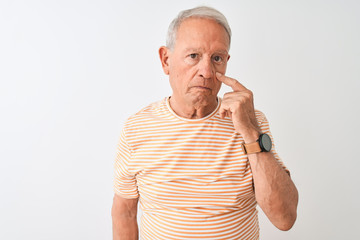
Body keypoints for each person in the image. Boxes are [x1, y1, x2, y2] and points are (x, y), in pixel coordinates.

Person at [111, 6, 298, 240]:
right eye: (193, 56)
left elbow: (285, 218)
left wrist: (250, 132)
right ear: (166, 60)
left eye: (217, 58)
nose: (207, 72)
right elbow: (124, 213)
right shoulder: (136, 129)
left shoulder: (251, 121)